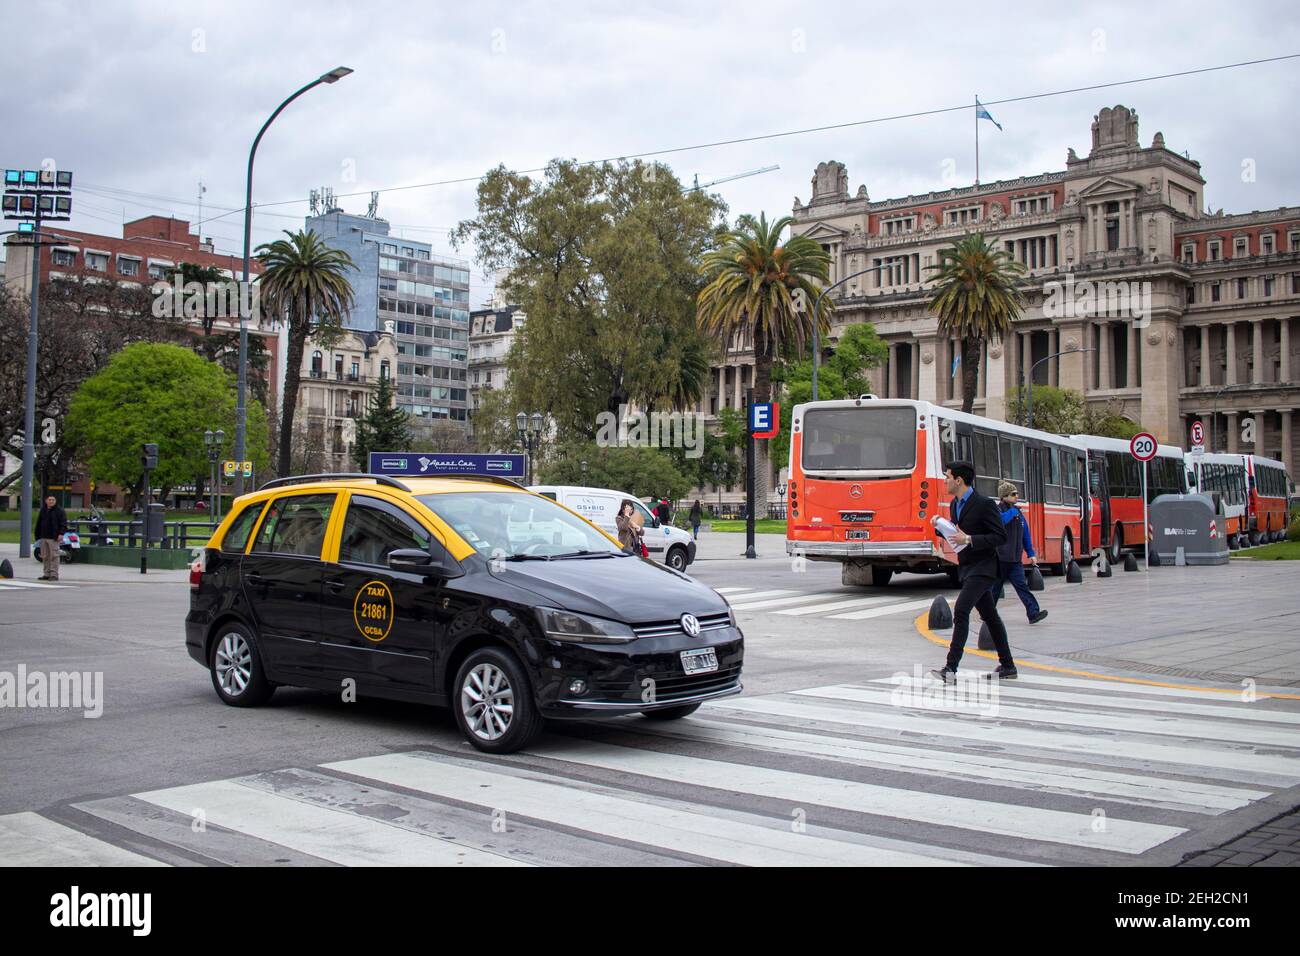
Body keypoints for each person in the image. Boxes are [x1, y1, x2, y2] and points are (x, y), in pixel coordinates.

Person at [928, 462, 1017, 683]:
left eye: (948, 477)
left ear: (959, 480)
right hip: (967, 566)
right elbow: (957, 534)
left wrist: (970, 539)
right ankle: (1008, 666)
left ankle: (950, 669)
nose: (946, 480)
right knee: (990, 616)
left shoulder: (984, 504)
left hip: (984, 567)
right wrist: (940, 527)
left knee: (961, 610)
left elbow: (1000, 537)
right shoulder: (954, 505)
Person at [992, 481, 1049, 624]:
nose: (1017, 496)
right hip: (1000, 559)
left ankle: (1033, 613)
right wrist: (1013, 512)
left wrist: (1031, 553)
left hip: (1015, 560)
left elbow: (1025, 534)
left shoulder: (1018, 513)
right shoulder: (998, 511)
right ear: (1004, 496)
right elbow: (1001, 521)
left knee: (1022, 587)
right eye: (1013, 494)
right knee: (994, 589)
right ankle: (987, 613)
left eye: (1017, 493)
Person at [34, 494, 68, 582]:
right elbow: (39, 522)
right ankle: (46, 574)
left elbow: (64, 523)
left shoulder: (59, 510)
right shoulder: (43, 510)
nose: (51, 501)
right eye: (49, 500)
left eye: (53, 500)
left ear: (55, 501)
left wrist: (61, 533)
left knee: (54, 556)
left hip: (54, 537)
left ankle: (54, 575)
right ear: (46, 501)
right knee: (45, 556)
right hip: (43, 537)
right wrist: (37, 535)